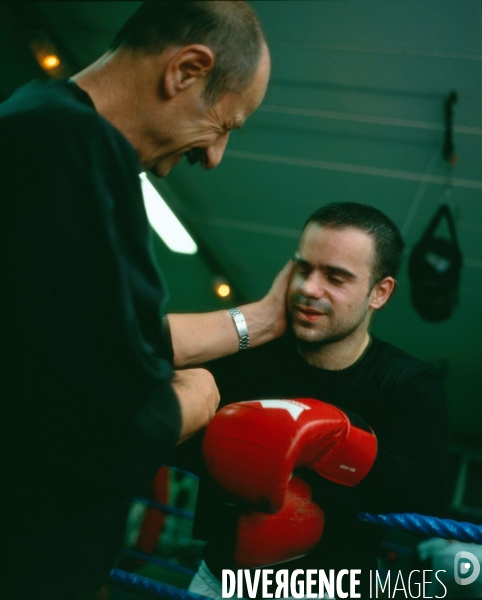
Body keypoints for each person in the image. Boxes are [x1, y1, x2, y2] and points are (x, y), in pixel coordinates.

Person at [0, 3, 288, 599]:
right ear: (185, 69)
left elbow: (81, 342)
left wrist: (260, 321)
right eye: (226, 124)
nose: (214, 156)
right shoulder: (81, 151)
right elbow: (107, 425)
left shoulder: (29, 119)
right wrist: (195, 400)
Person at [173, 202, 447, 599]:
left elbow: (427, 495)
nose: (308, 288)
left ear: (380, 292)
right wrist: (258, 319)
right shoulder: (250, 356)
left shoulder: (409, 383)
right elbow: (141, 383)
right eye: (304, 268)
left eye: (335, 277)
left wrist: (333, 449)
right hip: (221, 580)